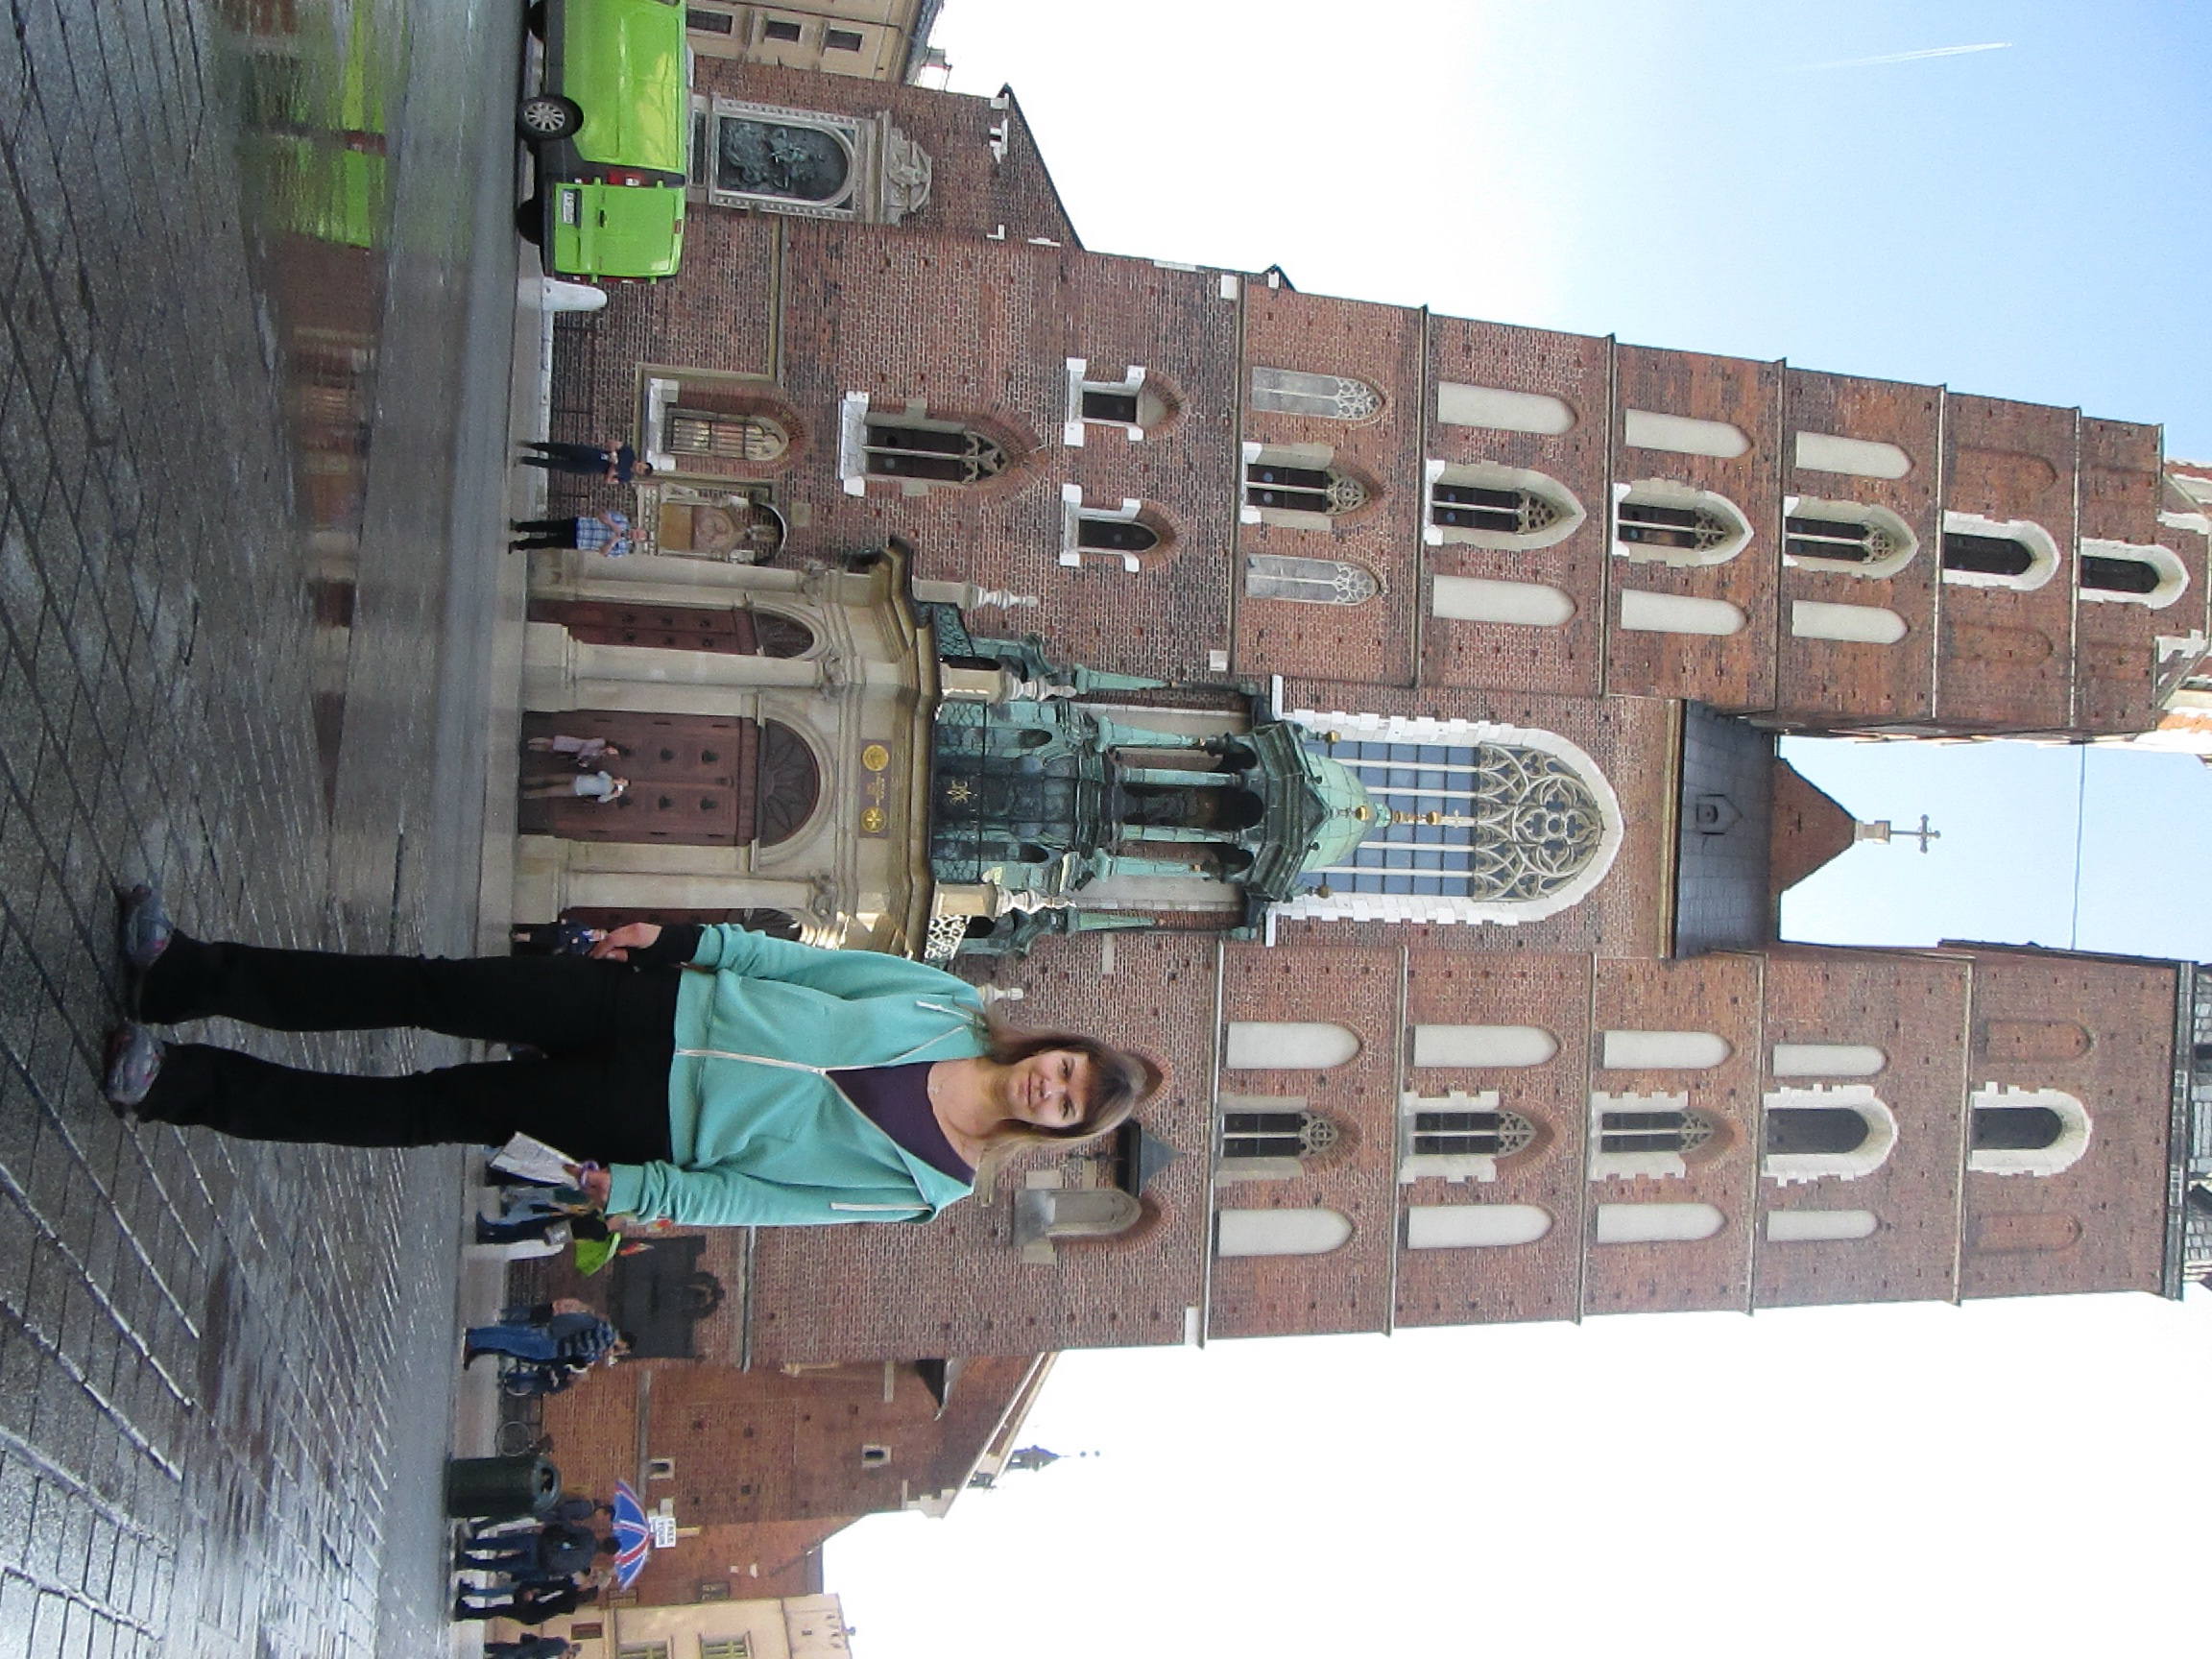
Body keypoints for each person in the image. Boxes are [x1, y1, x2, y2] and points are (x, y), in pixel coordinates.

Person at [103, 888, 1162, 1228]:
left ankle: (178, 1085)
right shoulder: (948, 1004)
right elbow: (805, 967)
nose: (1053, 1087)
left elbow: (762, 1203)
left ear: (1053, 1131)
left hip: (646, 1119)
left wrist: (648, 1191)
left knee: (427, 1108)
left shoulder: (931, 1185)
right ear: (1058, 1046)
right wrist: (683, 939)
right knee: (435, 988)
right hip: (661, 1003)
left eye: (1066, 1107)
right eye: (1069, 1069)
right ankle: (186, 973)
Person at [465, 1299, 627, 1370]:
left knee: (511, 1333)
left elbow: (577, 1320)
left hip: (551, 1332)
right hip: (555, 1346)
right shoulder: (605, 1341)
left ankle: (478, 1333)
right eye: (624, 1350)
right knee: (511, 1343)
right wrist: (601, 1356)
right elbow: (583, 1355)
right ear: (624, 1344)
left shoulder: (602, 1324)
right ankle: (474, 1341)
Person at [516, 438, 655, 483]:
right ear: (642, 462)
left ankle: (525, 460)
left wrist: (612, 472)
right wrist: (613, 454)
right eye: (642, 467)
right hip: (593, 454)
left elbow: (608, 481)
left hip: (591, 468)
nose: (640, 468)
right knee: (561, 449)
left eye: (642, 471)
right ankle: (533, 445)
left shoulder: (627, 476)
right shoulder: (629, 453)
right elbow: (612, 443)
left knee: (557, 465)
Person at [509, 511, 633, 557]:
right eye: (637, 533)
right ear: (636, 529)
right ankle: (520, 526)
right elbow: (601, 515)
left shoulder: (623, 549)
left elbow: (603, 552)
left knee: (547, 542)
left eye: (638, 537)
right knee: (548, 525)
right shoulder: (622, 520)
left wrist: (612, 541)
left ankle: (519, 545)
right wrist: (613, 525)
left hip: (580, 541)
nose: (634, 535)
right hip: (580, 524)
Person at [520, 772, 627, 803]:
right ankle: (527, 781)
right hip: (576, 778)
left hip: (576, 790)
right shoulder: (608, 778)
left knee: (549, 791)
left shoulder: (608, 791)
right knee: (550, 778)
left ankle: (526, 794)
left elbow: (601, 799)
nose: (620, 781)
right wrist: (613, 780)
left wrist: (613, 796)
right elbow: (600, 773)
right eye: (622, 780)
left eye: (622, 783)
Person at [526, 733, 623, 766]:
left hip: (572, 752)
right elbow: (587, 745)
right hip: (572, 744)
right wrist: (580, 756)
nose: (611, 752)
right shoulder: (601, 742)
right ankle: (530, 741)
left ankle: (531, 748)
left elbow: (591, 757)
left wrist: (585, 762)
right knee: (550, 742)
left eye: (613, 753)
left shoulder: (602, 753)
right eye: (613, 751)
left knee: (550, 749)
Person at [483, 1639, 578, 1659]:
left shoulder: (561, 1642)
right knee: (512, 1654)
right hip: (532, 1650)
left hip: (533, 1645)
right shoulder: (560, 1648)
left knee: (511, 1649)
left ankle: (488, 1648)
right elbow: (543, 1654)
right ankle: (489, 1651)